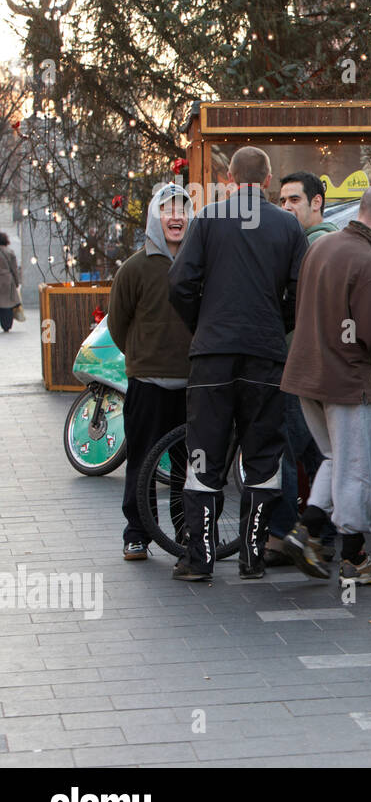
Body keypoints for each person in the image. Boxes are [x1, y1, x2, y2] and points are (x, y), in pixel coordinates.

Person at [168, 147, 307, 580]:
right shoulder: (287, 225)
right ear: (267, 180)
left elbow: (180, 282)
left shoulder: (208, 219)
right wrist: (273, 323)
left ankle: (200, 559)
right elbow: (300, 290)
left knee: (203, 456)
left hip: (212, 355)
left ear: (230, 178)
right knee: (263, 457)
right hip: (264, 356)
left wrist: (203, 325)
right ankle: (252, 557)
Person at [279, 183, 371, 585]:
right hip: (346, 379)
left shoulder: (324, 245)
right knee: (356, 469)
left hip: (305, 373)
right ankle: (356, 559)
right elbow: (370, 332)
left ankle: (306, 532)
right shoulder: (367, 261)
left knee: (334, 459)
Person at [108, 185, 194, 560]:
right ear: (154, 217)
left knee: (189, 465)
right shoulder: (135, 268)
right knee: (142, 461)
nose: (176, 217)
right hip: (148, 384)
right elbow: (118, 323)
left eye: (183, 209)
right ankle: (137, 533)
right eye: (168, 209)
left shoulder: (200, 264)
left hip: (194, 384)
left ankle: (185, 532)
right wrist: (142, 357)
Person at [265, 171, 339, 564]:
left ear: (317, 202)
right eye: (283, 201)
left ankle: (282, 536)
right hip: (317, 366)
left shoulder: (315, 244)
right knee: (315, 453)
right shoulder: (322, 241)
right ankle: (321, 535)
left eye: (295, 200)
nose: (287, 207)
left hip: (302, 364)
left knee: (284, 451)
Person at [0, 231, 20, 332]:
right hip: (7, 280)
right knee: (7, 304)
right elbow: (14, 269)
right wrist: (16, 282)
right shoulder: (9, 252)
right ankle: (6, 325)